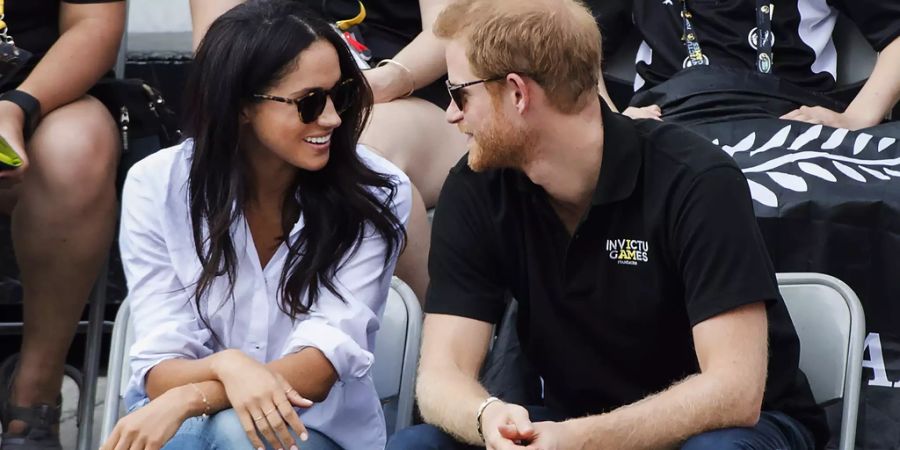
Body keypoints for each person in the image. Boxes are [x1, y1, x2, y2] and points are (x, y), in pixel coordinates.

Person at [387, 0, 829, 449]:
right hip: (570, 425)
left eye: (460, 93)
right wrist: (487, 418)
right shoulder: (476, 186)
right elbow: (442, 375)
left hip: (723, 430)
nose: (450, 113)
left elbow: (735, 392)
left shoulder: (697, 180)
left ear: (518, 93)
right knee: (417, 445)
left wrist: (581, 440)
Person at [100, 1, 410, 449]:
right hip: (181, 431)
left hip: (314, 431)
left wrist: (191, 397)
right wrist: (230, 366)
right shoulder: (157, 186)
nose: (333, 118)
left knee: (238, 436)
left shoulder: (377, 191)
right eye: (309, 102)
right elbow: (160, 363)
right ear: (243, 106)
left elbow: (320, 365)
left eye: (340, 94)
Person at [188, 0, 464, 303]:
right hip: (279, 95)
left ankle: (433, 322)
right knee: (217, 155)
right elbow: (216, 47)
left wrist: (375, 84)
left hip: (409, 91)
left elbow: (449, 27)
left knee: (358, 157)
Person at [0, 0, 124, 449]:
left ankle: (33, 398)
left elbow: (94, 25)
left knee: (74, 151)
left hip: (46, 96)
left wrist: (16, 108)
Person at [614, 0, 900, 129]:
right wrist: (610, 123)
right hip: (666, 121)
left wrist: (856, 118)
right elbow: (572, 41)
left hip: (791, 124)